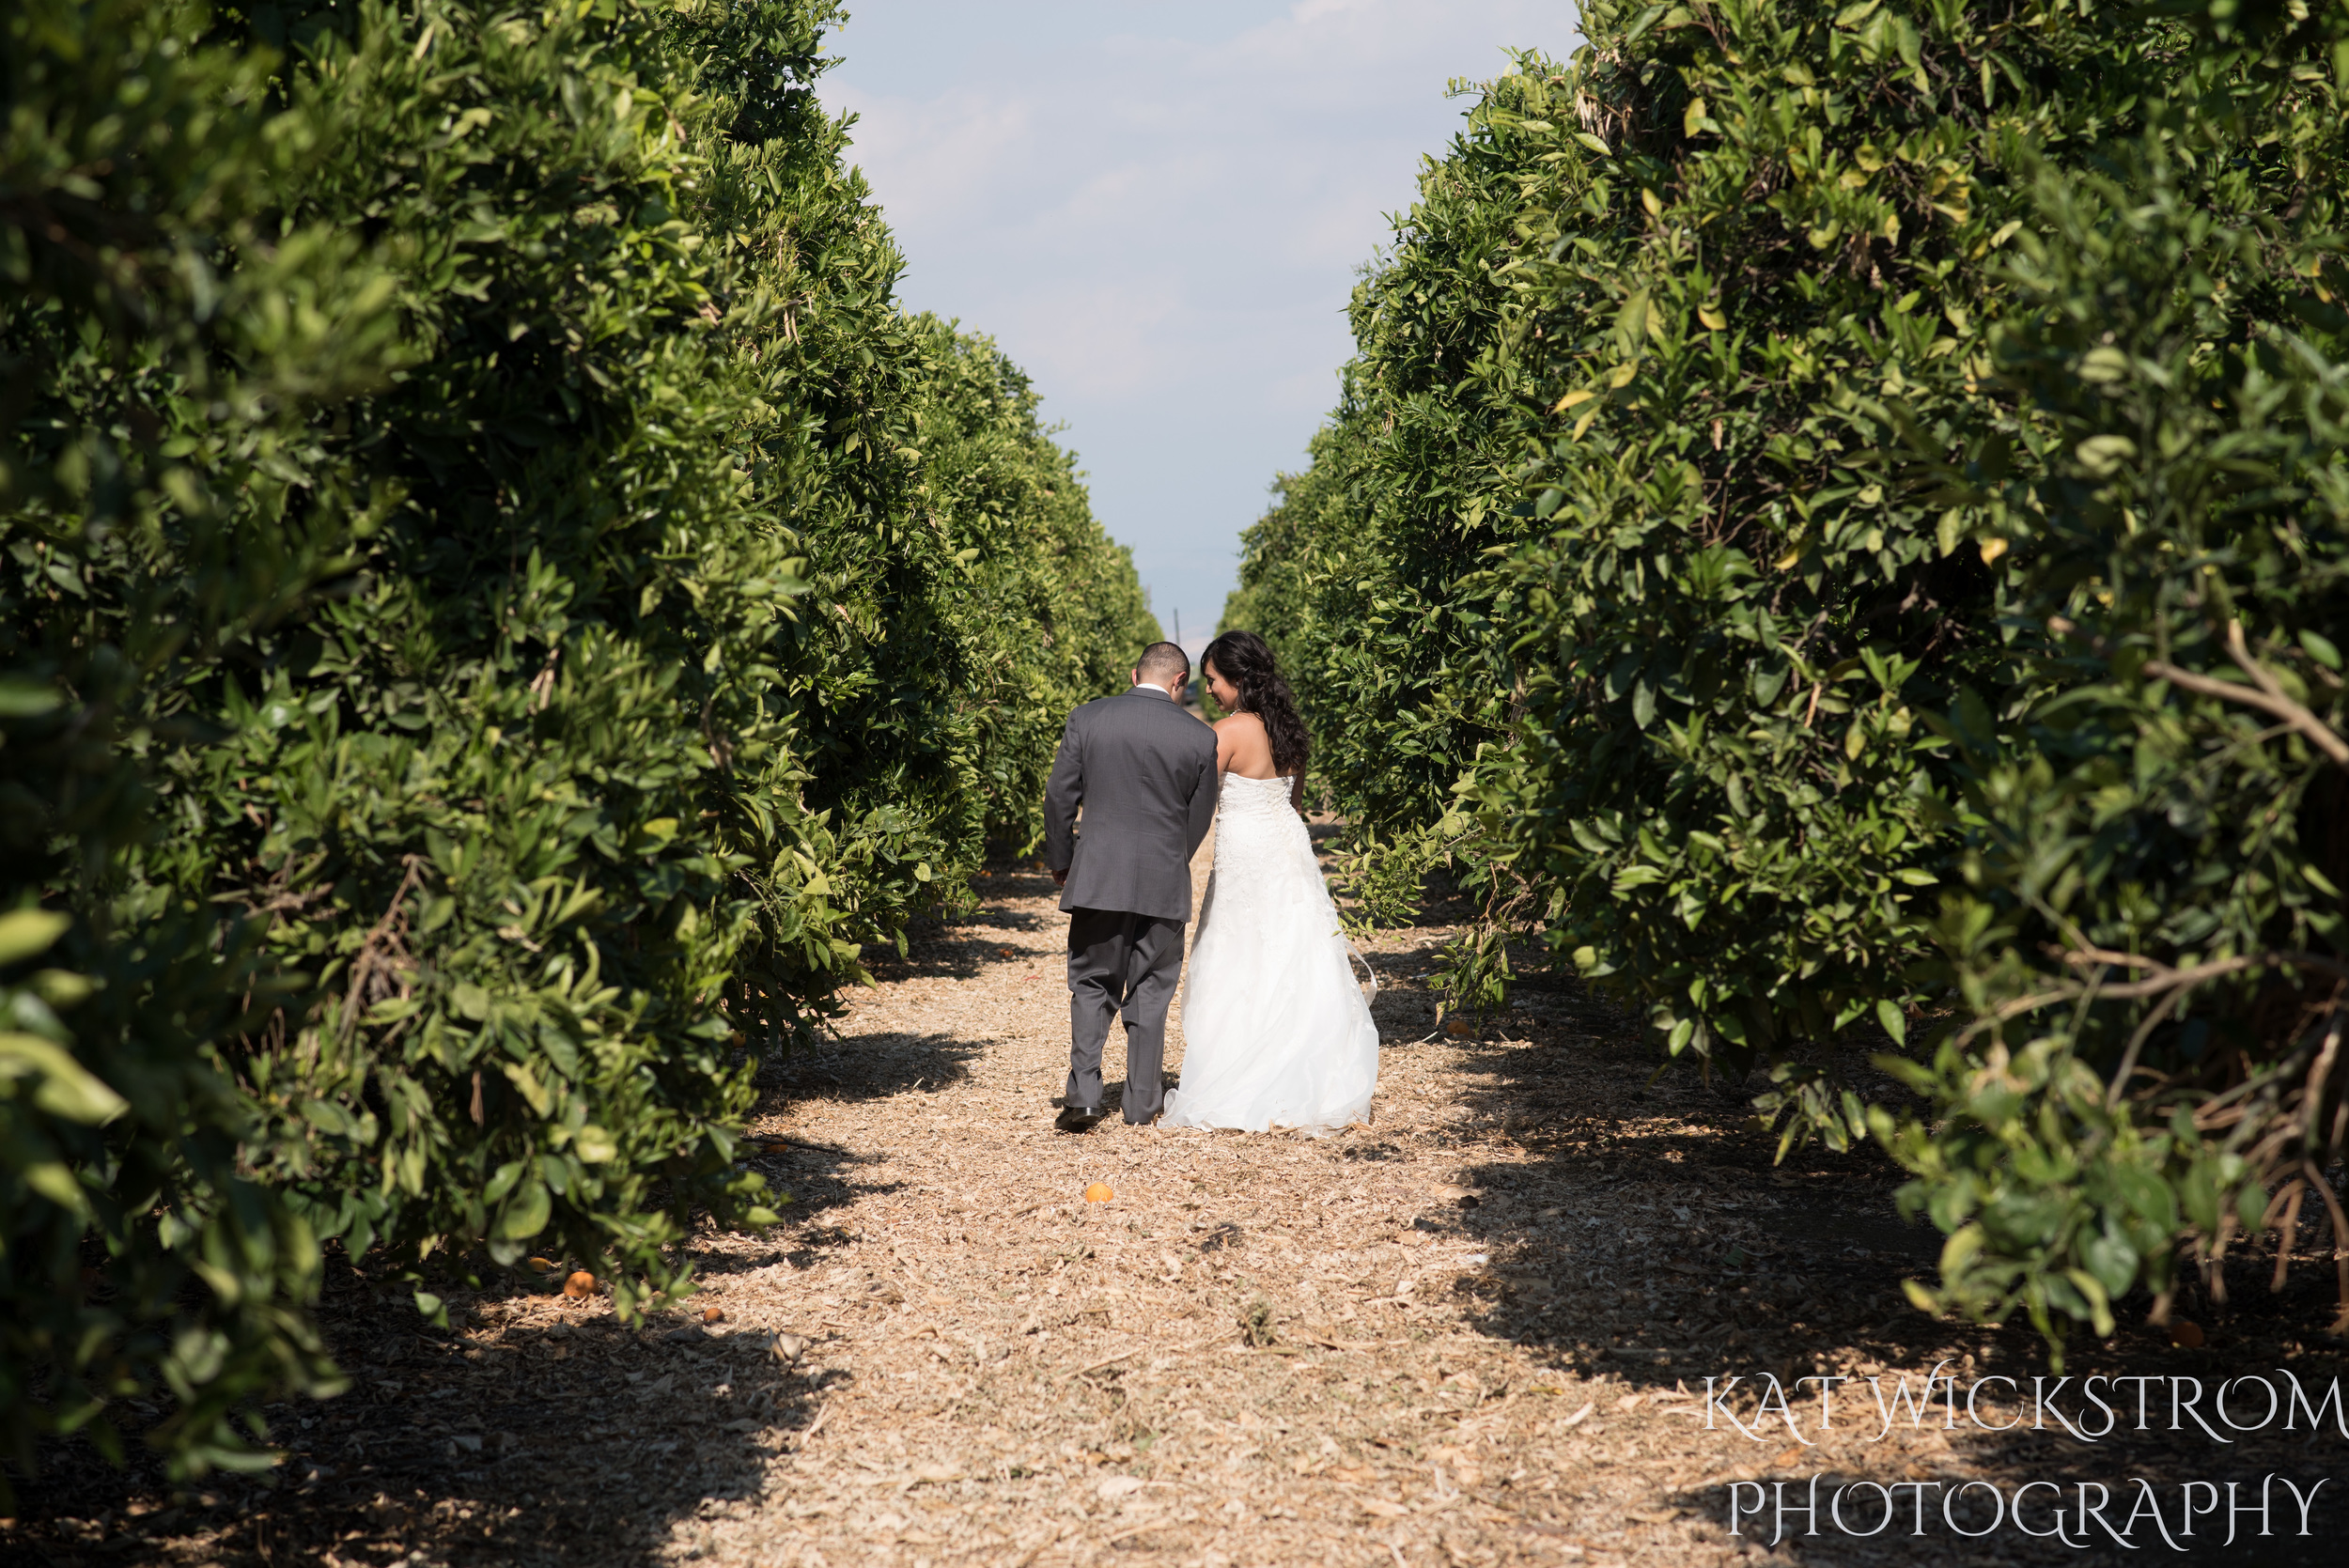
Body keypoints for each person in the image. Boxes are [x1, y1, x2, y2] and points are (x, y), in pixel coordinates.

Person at [1160, 629, 1378, 1133]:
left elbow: (1194, 799)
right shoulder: (1290, 732)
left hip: (1244, 855)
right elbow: (1293, 807)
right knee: (1293, 953)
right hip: (1287, 850)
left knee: (1238, 953)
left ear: (1237, 679)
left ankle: (1241, 1076)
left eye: (1213, 680)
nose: (1209, 690)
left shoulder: (1227, 733)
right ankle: (1306, 1074)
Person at [1042, 641, 1219, 1130]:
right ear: (1180, 681)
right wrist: (1166, 861)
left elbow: (1060, 796)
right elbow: (1198, 820)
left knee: (1092, 982)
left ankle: (1082, 1097)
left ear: (1133, 673)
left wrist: (1064, 859)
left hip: (1098, 874)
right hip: (1164, 881)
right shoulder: (1200, 738)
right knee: (1151, 990)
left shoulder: (1088, 717)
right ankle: (1142, 1104)